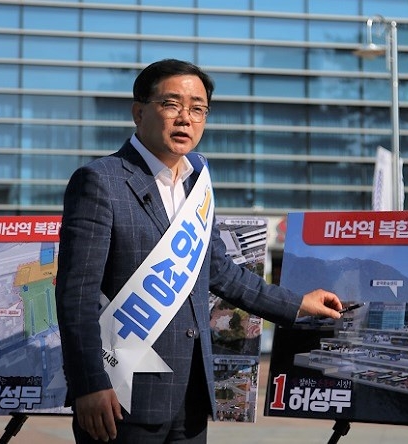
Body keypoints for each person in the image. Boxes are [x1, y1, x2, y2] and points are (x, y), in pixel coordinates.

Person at [55, 58, 344, 444]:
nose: (185, 119)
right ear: (139, 112)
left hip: (189, 396)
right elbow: (76, 295)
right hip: (120, 396)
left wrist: (297, 304)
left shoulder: (196, 184)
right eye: (171, 104)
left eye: (197, 109)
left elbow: (220, 270)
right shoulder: (100, 181)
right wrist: (89, 383)